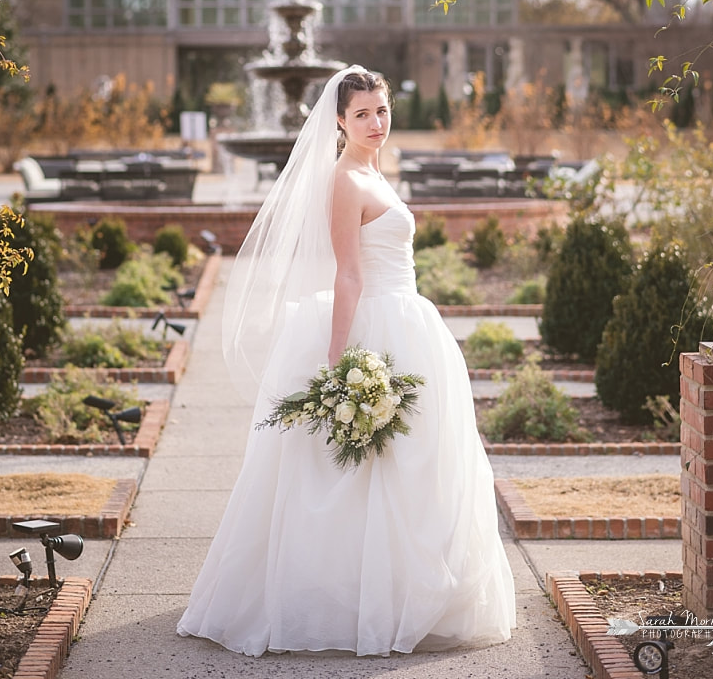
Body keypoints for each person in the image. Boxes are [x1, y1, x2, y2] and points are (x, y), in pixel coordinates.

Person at [177, 65, 516, 656]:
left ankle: (399, 595)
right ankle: (343, 603)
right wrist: (338, 365)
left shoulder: (372, 168)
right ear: (339, 121)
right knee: (360, 471)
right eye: (361, 114)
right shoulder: (344, 180)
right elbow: (349, 274)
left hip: (408, 319)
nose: (375, 122)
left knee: (410, 467)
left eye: (381, 110)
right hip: (376, 326)